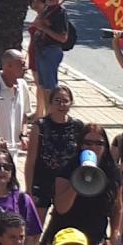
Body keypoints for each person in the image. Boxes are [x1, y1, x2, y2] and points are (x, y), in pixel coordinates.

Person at [43, 123, 122, 245]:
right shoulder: (67, 169)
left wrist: (113, 237)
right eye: (88, 143)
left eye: (99, 143)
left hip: (93, 237)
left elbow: (117, 207)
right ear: (80, 145)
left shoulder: (112, 171)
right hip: (65, 236)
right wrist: (78, 179)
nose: (93, 148)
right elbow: (61, 207)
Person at [24, 84, 83, 224]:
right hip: (42, 182)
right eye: (57, 100)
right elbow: (30, 160)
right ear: (50, 102)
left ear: (71, 103)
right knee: (34, 228)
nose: (61, 104)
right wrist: (29, 189)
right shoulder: (40, 126)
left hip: (66, 183)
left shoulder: (78, 127)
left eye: (65, 101)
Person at [29, 0, 68, 95]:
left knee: (50, 88)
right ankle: (46, 111)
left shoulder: (60, 13)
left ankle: (51, 111)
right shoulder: (47, 9)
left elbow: (63, 38)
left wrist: (44, 28)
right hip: (40, 51)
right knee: (42, 87)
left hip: (50, 51)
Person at [0, 49, 33, 150]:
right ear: (8, 66)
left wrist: (24, 134)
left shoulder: (23, 85)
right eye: (22, 64)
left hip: (14, 151)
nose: (26, 68)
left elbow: (24, 115)